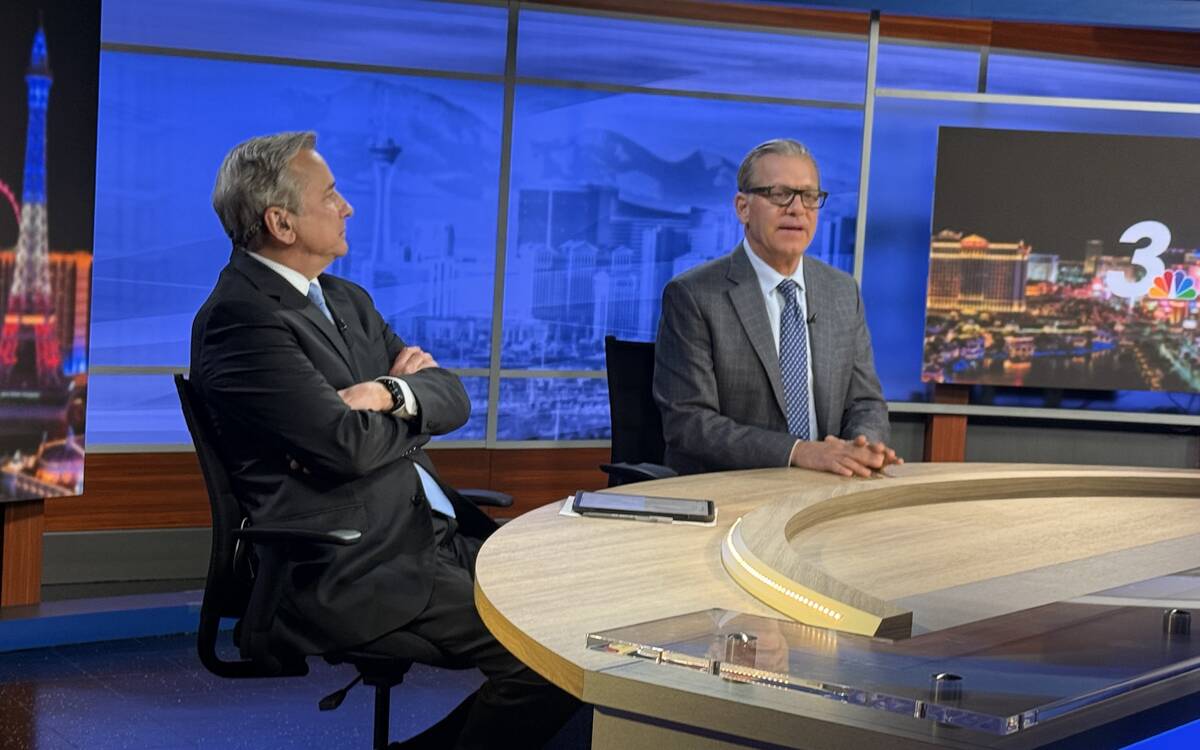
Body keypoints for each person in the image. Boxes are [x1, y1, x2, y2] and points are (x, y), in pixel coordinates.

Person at [190, 131, 575, 748]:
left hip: (431, 536)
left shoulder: (346, 298)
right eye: (332, 195)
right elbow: (344, 446)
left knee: (578, 620)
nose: (347, 207)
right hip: (356, 563)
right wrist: (400, 393)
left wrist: (391, 395)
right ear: (281, 222)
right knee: (551, 664)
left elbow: (453, 396)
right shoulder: (242, 320)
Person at [653, 138, 901, 478]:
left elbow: (866, 402)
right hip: (733, 490)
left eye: (809, 196)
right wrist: (800, 452)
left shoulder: (842, 292)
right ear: (743, 207)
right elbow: (691, 424)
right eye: (779, 194)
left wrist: (861, 449)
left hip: (828, 486)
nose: (797, 209)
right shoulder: (694, 296)